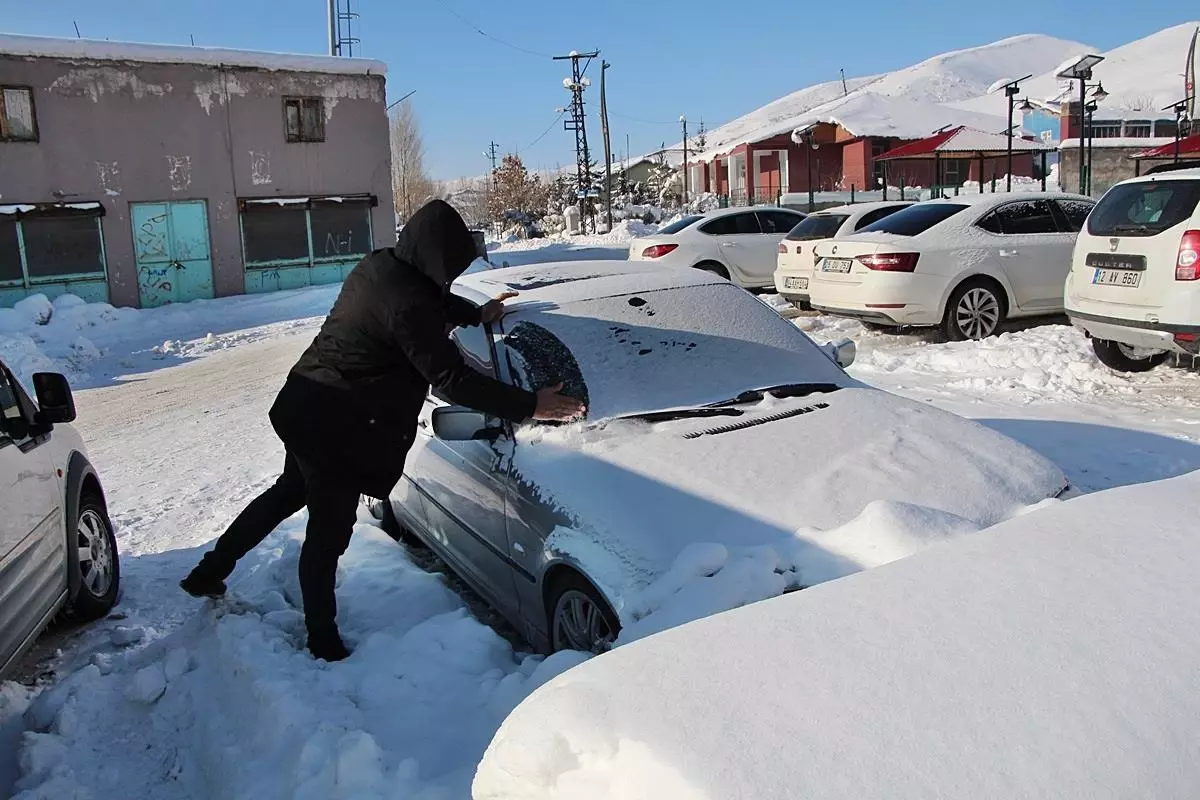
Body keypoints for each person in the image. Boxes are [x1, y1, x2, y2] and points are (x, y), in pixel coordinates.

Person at [180, 200, 585, 661]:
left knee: (287, 493)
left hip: (309, 401)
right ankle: (322, 641)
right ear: (433, 257)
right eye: (449, 265)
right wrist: (532, 404)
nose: (450, 275)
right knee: (328, 532)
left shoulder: (384, 264)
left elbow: (429, 300)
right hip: (331, 423)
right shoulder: (409, 301)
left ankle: (208, 572)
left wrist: (475, 313)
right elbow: (453, 379)